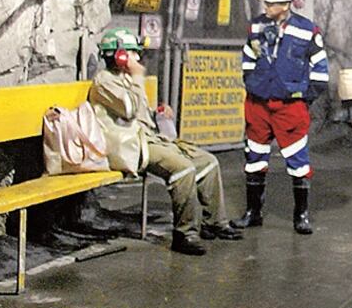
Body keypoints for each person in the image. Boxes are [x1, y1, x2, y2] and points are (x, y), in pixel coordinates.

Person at [89, 27, 242, 255]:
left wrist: (157, 113)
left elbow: (140, 114)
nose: (137, 57)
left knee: (207, 162)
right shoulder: (104, 81)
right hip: (130, 146)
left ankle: (214, 223)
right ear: (119, 55)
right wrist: (137, 76)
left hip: (149, 138)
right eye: (132, 53)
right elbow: (129, 109)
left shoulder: (126, 78)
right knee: (183, 169)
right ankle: (184, 234)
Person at [232, 0, 329, 235]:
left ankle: (301, 216)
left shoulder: (307, 31)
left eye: (271, 2)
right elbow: (248, 57)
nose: (266, 6)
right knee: (254, 158)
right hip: (258, 105)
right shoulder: (255, 27)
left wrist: (303, 97)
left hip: (290, 107)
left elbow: (320, 70)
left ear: (286, 4)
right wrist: (253, 83)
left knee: (298, 160)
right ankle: (253, 213)